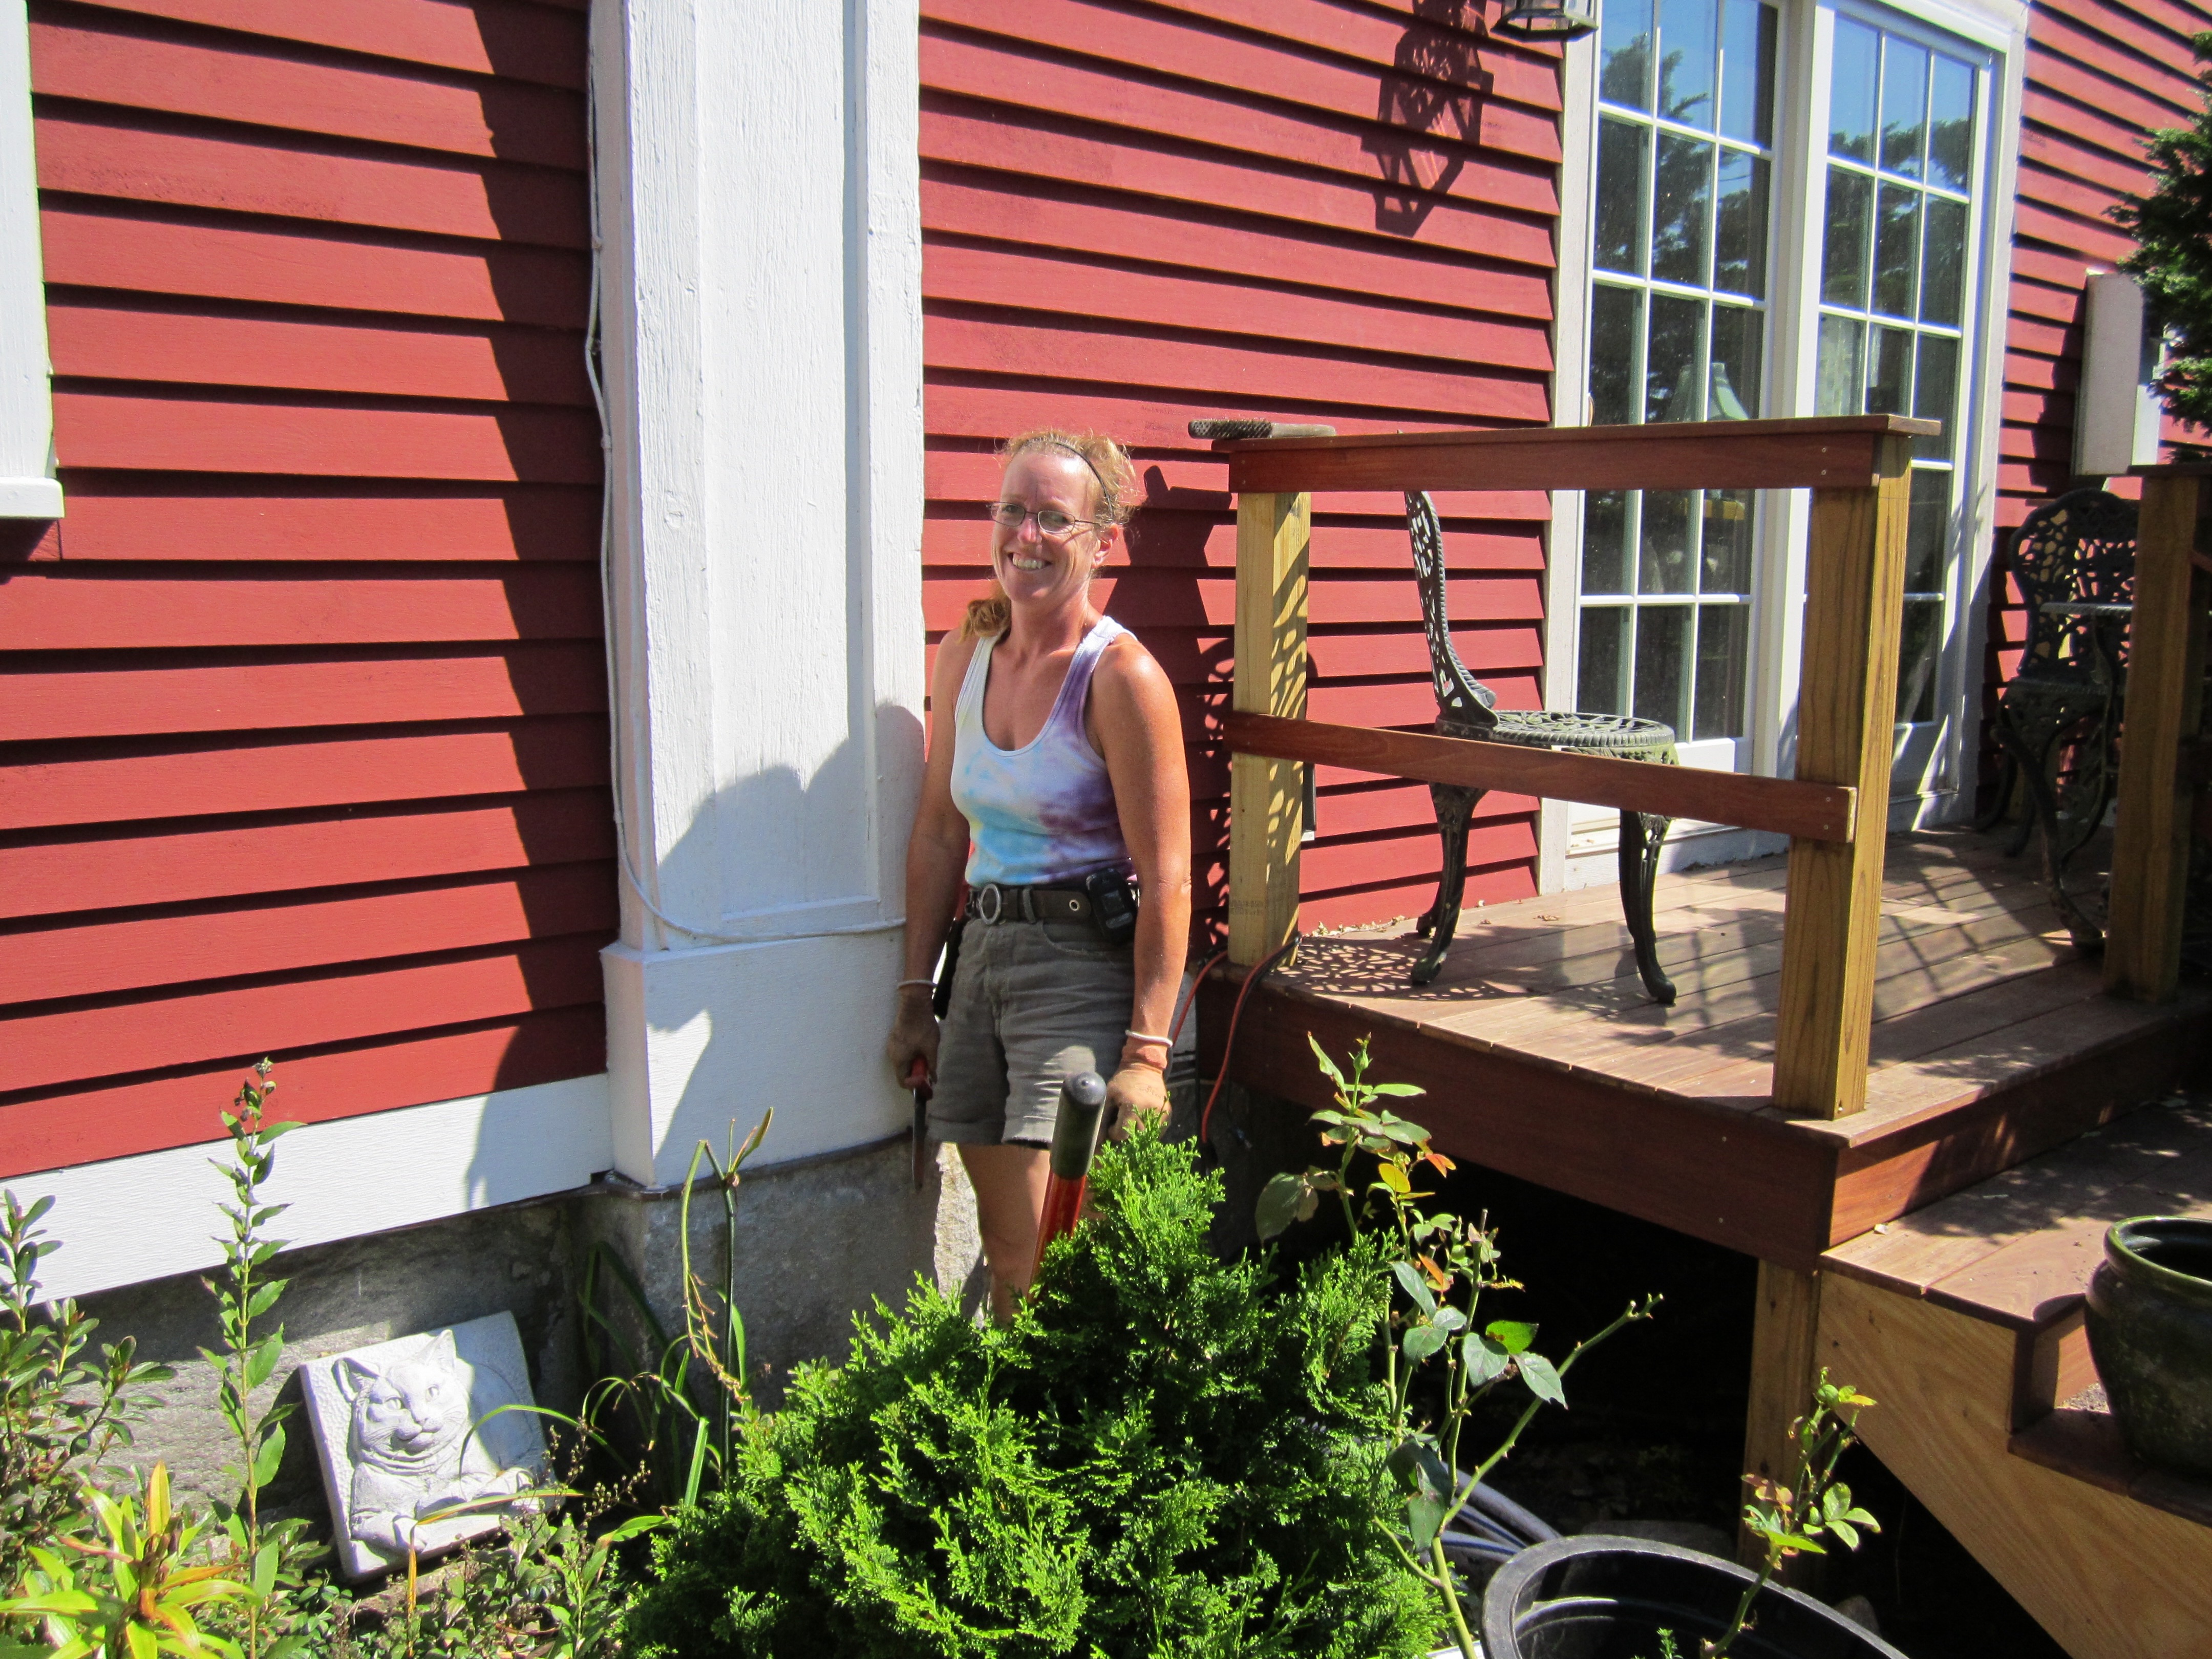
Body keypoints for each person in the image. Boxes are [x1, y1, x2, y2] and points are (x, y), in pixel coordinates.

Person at [887, 428, 1192, 1321]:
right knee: (1007, 1244)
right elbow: (939, 833)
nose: (1027, 534)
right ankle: (1020, 1404)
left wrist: (1147, 1055)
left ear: (1102, 541)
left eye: (1054, 518)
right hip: (980, 960)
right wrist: (915, 995)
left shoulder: (1121, 676)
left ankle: (1076, 1401)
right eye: (1012, 510)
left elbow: (1168, 877)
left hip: (1076, 967)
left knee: (1063, 1243)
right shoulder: (967, 652)